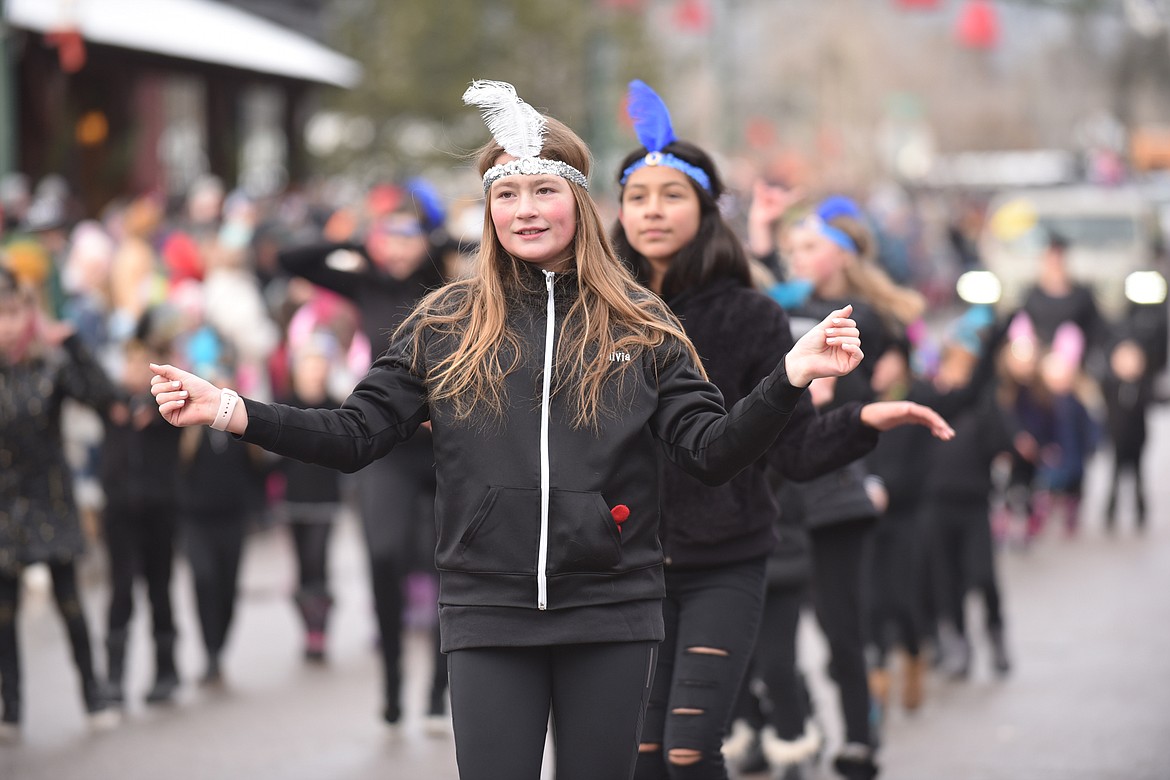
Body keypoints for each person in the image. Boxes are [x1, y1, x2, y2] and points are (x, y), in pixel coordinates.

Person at [148, 80, 865, 780]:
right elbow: (355, 433)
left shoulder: (643, 324)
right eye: (506, 194)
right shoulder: (443, 323)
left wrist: (788, 378)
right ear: (488, 210)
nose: (526, 210)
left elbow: (711, 452)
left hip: (611, 607)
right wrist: (230, 409)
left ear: (579, 204)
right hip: (486, 606)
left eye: (544, 191)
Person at [610, 80, 953, 780]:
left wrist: (861, 419)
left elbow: (792, 449)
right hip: (622, 566)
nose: (652, 210)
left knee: (687, 751)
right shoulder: (595, 314)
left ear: (707, 212)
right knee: (637, 757)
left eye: (671, 195)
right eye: (637, 196)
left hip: (724, 560)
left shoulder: (751, 315)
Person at [749, 191, 927, 778]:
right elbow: (747, 298)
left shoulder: (866, 319)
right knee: (769, 633)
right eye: (791, 246)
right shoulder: (783, 307)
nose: (795, 256)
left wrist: (827, 393)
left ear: (841, 256)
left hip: (835, 489)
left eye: (808, 247)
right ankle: (792, 722)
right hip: (781, 492)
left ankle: (858, 737)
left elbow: (875, 402)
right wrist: (759, 227)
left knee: (841, 627)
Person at [277, 184, 450, 726]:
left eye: (407, 234)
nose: (396, 247)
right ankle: (394, 682)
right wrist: (356, 237)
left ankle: (441, 687)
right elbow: (291, 259)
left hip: (448, 445)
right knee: (383, 555)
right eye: (387, 235)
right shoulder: (364, 281)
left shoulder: (447, 284)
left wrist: (436, 233)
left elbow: (479, 242)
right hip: (390, 445)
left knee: (452, 562)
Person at [0, 265, 120, 736]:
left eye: (13, 311)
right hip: (4, 500)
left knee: (69, 601)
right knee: (4, 609)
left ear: (29, 312)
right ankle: (10, 705)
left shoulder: (49, 363)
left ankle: (93, 696)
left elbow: (103, 398)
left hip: (48, 492)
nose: (6, 323)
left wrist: (72, 344)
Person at [99, 317, 183, 705]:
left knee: (159, 591)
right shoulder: (111, 404)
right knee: (119, 592)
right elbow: (87, 381)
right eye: (127, 363)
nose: (132, 371)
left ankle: (167, 670)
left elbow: (187, 387)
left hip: (158, 512)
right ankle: (114, 676)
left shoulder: (165, 408)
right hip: (119, 514)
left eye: (140, 364)